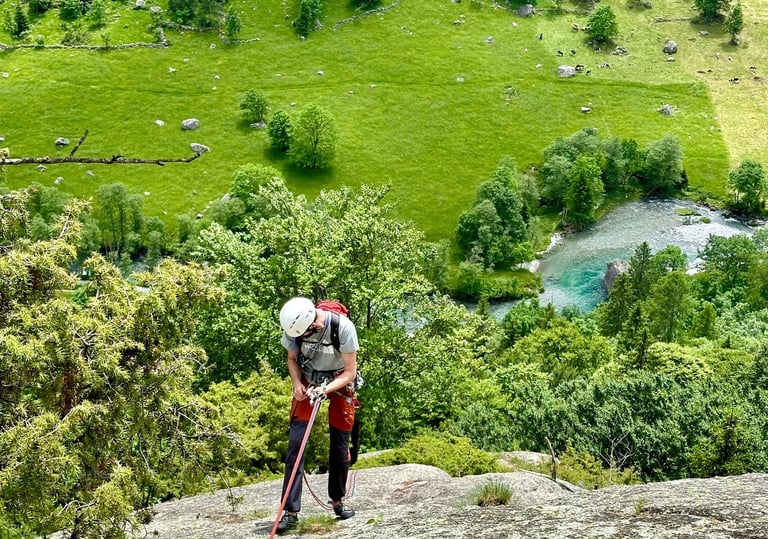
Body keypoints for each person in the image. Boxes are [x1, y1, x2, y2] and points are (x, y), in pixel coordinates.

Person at [275, 297, 360, 534]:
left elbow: (350, 372)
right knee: (296, 444)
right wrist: (296, 384)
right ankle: (290, 512)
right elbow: (292, 359)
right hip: (308, 379)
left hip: (340, 380)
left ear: (314, 323)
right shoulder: (294, 330)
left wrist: (326, 389)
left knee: (340, 443)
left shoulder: (343, 327)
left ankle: (338, 501)